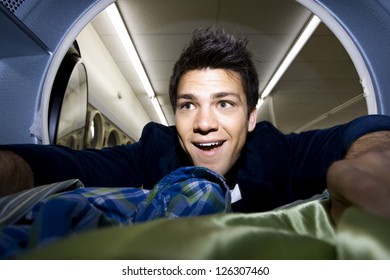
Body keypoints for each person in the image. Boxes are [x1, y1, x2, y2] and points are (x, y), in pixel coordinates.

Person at [1, 26, 390, 224]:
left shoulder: (277, 151)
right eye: (189, 105)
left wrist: (370, 165)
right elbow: (72, 167)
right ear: (175, 115)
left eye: (224, 103)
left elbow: (362, 129)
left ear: (251, 117)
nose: (204, 123)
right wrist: (12, 170)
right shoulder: (154, 149)